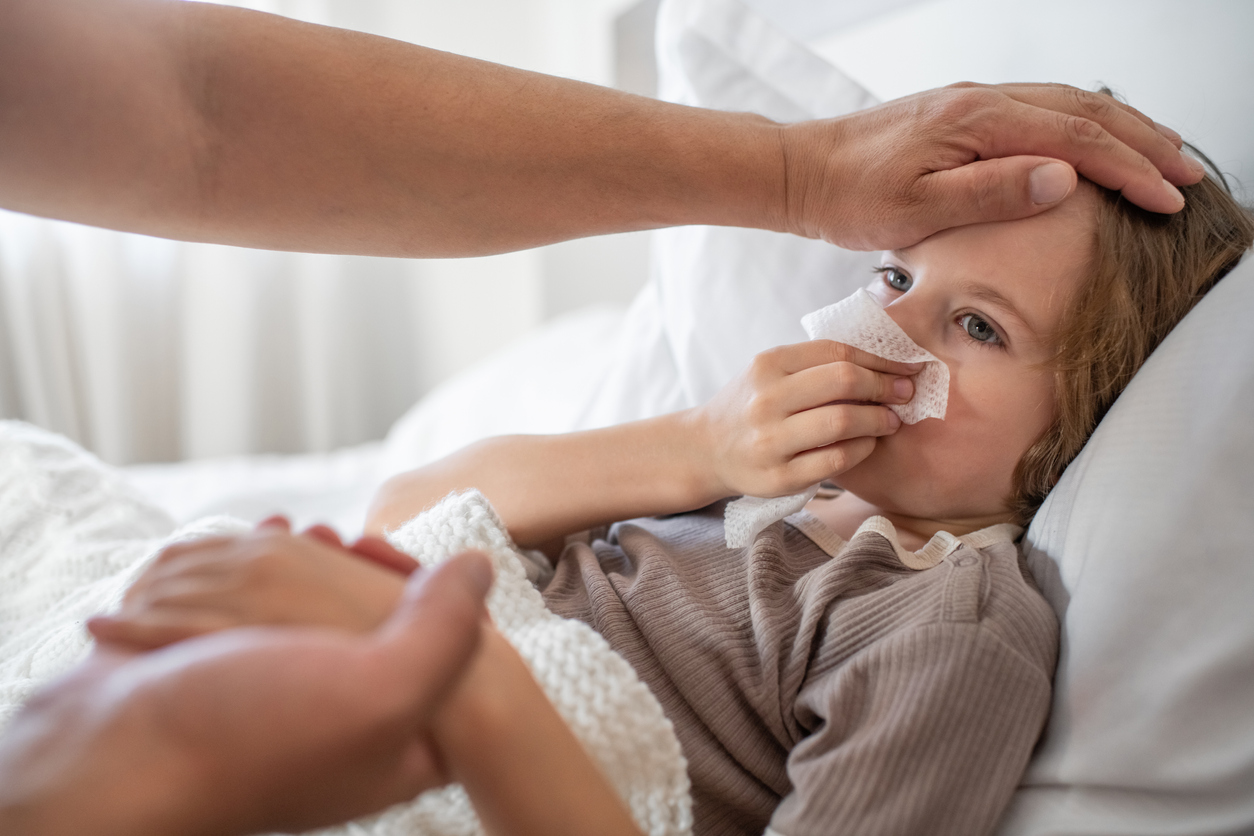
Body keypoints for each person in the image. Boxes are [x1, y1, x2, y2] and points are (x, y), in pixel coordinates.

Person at [0, 0, 1215, 830]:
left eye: (979, 328)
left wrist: (475, 690)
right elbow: (413, 510)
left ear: (1079, 431)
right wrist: (696, 442)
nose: (889, 331)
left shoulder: (943, 624)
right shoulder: (747, 467)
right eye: (899, 278)